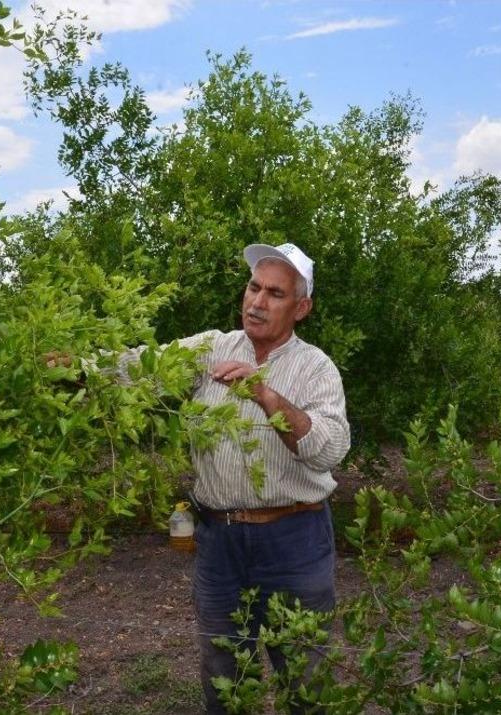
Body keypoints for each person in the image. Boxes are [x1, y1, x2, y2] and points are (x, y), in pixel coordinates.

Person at [166, 243, 351, 713]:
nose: (256, 302)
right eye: (253, 288)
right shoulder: (211, 348)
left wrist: (264, 394)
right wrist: (77, 366)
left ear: (301, 308)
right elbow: (142, 367)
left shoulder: (316, 369)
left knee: (303, 681)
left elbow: (327, 450)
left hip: (293, 540)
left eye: (274, 293)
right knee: (223, 677)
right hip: (220, 544)